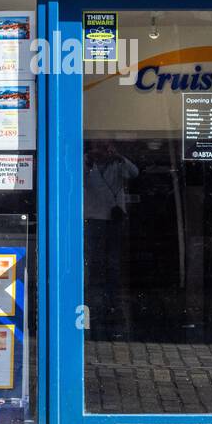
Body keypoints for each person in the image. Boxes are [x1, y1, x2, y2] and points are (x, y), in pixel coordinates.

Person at [83, 139, 140, 339]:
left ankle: (112, 289)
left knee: (113, 256)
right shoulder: (86, 161)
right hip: (94, 215)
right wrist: (90, 160)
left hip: (114, 217)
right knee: (94, 255)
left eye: (105, 148)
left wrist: (119, 157)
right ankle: (94, 287)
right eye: (98, 147)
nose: (101, 151)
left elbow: (134, 173)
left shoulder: (117, 163)